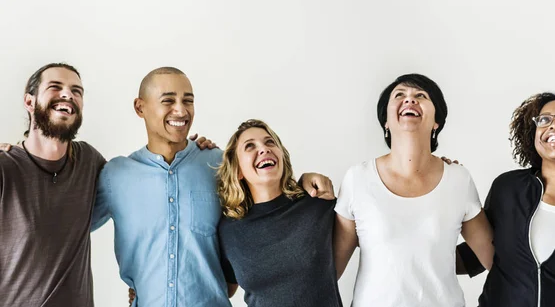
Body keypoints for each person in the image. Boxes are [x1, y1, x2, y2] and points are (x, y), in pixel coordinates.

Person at [91, 68, 335, 307]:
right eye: (168, 100)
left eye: (188, 100)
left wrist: (304, 183)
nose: (181, 109)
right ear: (140, 107)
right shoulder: (116, 176)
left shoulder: (218, 163)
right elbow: (71, 233)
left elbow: (270, 195)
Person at [333, 73, 494, 307]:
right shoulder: (357, 179)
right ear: (385, 121)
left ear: (436, 121)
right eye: (399, 95)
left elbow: (495, 260)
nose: (409, 100)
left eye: (421, 95)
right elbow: (331, 270)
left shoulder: (458, 179)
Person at [457, 93, 555, 306]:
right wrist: (442, 186)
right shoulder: (507, 188)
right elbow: (477, 255)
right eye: (544, 120)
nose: (554, 125)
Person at [0, 63, 105, 306]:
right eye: (55, 87)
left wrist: (189, 149)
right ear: (29, 102)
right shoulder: (5, 169)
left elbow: (140, 180)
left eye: (76, 91)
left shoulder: (89, 161)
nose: (68, 94)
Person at [216, 119, 342, 307]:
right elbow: (224, 288)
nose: (264, 149)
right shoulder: (229, 230)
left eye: (270, 142)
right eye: (250, 146)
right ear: (238, 170)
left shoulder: (318, 202)